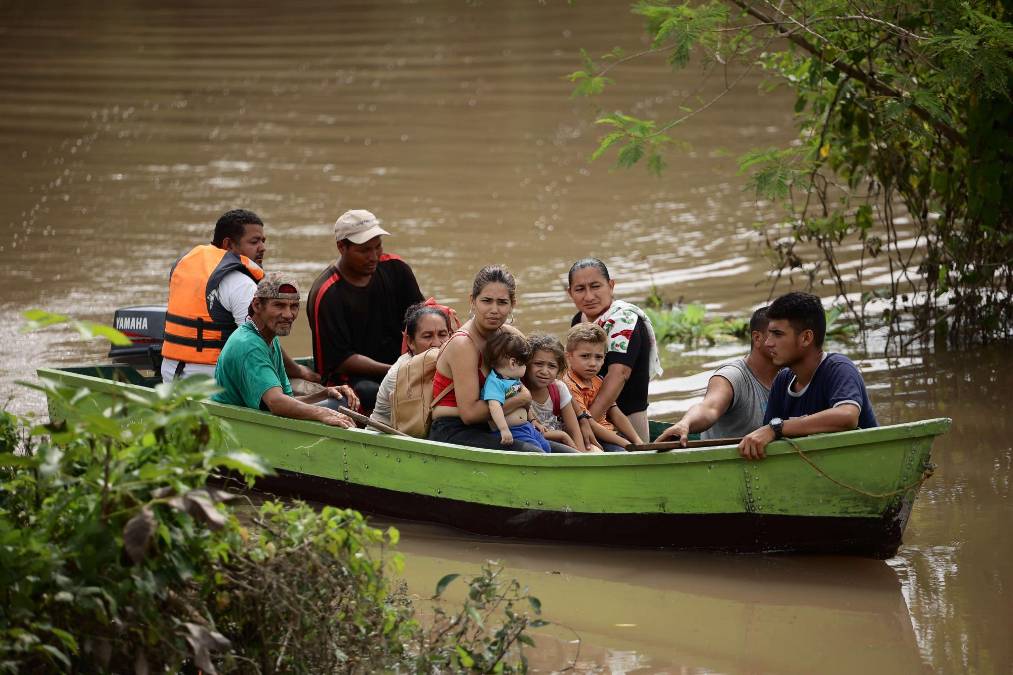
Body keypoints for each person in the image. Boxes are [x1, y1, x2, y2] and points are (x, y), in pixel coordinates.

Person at [161, 208, 319, 385]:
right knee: (310, 390)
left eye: (263, 241)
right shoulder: (240, 282)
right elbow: (258, 340)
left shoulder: (186, 264)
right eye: (254, 242)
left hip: (170, 374)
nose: (262, 248)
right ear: (229, 245)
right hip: (211, 379)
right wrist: (299, 371)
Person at [428, 265, 574, 453]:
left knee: (569, 454)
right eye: (487, 301)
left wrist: (581, 418)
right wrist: (522, 398)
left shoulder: (511, 336)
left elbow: (548, 378)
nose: (494, 310)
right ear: (472, 301)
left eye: (502, 302)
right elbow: (470, 415)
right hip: (454, 430)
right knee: (535, 454)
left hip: (498, 424)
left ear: (513, 303)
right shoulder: (463, 345)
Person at [307, 209, 424, 414]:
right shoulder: (327, 293)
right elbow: (341, 361)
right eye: (364, 251)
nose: (374, 257)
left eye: (378, 247)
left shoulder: (396, 268)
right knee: (368, 391)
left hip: (402, 366)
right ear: (342, 247)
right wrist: (395, 371)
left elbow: (422, 318)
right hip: (353, 381)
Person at [738, 291, 878, 460]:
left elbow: (847, 416)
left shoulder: (838, 368)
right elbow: (770, 438)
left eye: (778, 334)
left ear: (806, 338)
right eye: (769, 334)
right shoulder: (782, 381)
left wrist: (777, 428)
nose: (768, 343)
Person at [213, 273, 355, 428]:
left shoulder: (269, 338)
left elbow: (287, 400)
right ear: (257, 305)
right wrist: (321, 413)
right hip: (236, 427)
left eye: (293, 306)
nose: (288, 315)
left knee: (337, 400)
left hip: (254, 421)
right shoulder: (249, 345)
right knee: (334, 408)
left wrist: (325, 393)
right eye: (279, 305)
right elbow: (276, 403)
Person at [566, 258, 663, 443]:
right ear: (570, 293)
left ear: (611, 285)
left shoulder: (625, 320)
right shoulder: (580, 319)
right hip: (585, 412)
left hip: (625, 420)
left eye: (595, 286)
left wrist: (586, 421)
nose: (588, 296)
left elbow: (619, 375)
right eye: (580, 289)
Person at [657, 307, 776, 446]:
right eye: (777, 334)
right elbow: (709, 408)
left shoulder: (790, 375)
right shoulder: (732, 376)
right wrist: (685, 423)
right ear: (757, 338)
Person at [563, 323, 643, 452]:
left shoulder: (598, 380)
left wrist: (637, 440)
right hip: (590, 437)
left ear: (604, 358)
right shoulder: (568, 385)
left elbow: (615, 413)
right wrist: (626, 444)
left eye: (598, 357)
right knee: (622, 453)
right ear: (569, 356)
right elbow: (589, 423)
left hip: (610, 433)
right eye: (585, 356)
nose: (593, 363)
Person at [370, 303, 453, 428]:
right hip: (386, 440)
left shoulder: (446, 361)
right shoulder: (400, 373)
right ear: (410, 342)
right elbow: (420, 426)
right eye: (427, 336)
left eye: (442, 335)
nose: (437, 343)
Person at [481, 331, 551, 451]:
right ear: (513, 363)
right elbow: (494, 406)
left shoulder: (513, 378)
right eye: (524, 364)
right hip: (512, 430)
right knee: (537, 451)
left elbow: (523, 403)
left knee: (546, 447)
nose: (525, 368)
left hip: (525, 426)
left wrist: (533, 420)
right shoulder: (495, 382)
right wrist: (504, 429)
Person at [523, 334, 589, 452]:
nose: (544, 371)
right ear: (526, 364)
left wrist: (581, 455)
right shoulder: (519, 390)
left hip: (564, 444)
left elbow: (574, 429)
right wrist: (561, 435)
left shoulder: (558, 389)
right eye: (538, 364)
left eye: (552, 366)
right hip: (536, 445)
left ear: (559, 369)